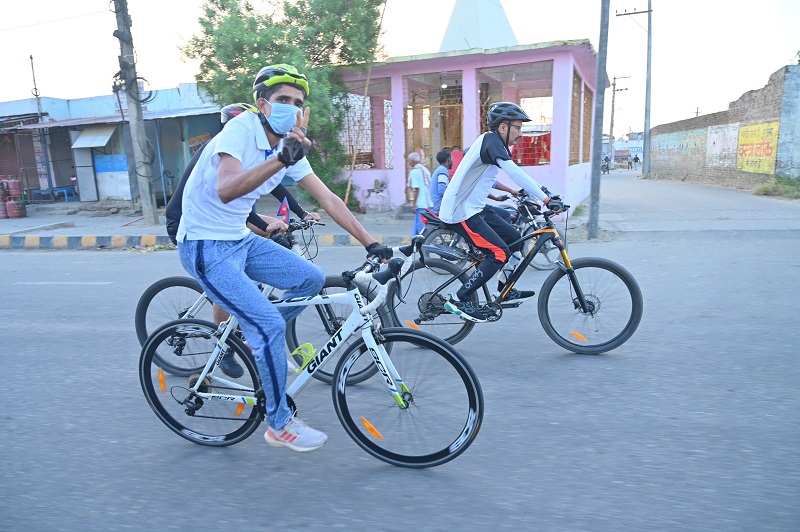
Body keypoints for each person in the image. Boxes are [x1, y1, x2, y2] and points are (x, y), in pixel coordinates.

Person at [176, 63, 393, 453]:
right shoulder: (239, 132)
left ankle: (255, 334)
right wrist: (281, 157)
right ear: (263, 104)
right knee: (269, 329)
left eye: (297, 102)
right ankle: (279, 423)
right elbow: (226, 189)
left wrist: (370, 242)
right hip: (205, 245)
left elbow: (326, 198)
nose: (291, 108)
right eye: (282, 100)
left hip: (239, 239)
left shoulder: (291, 144)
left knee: (309, 279)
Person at [166, 103, 321, 379]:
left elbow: (275, 184)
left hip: (226, 225)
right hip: (189, 225)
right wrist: (265, 225)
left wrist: (301, 212)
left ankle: (252, 336)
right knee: (235, 277)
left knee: (287, 267)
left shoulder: (256, 152)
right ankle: (226, 348)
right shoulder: (221, 151)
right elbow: (236, 202)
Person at [438, 101, 563, 323]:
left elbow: (493, 179)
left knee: (516, 240)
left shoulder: (494, 145)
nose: (521, 133)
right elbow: (513, 171)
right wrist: (546, 198)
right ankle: (460, 298)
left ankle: (504, 289)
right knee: (498, 254)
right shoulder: (490, 140)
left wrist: (539, 193)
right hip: (461, 211)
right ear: (503, 127)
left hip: (475, 208)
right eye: (517, 127)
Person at [407, 151, 433, 235]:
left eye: (409, 161)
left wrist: (413, 204)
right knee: (420, 226)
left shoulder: (414, 172)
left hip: (420, 204)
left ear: (413, 161)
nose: (409, 163)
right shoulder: (425, 170)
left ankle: (420, 245)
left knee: (420, 228)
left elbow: (416, 189)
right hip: (427, 203)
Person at [429, 149, 452, 214]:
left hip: (436, 203)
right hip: (440, 204)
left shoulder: (440, 169)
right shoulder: (443, 170)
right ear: (449, 159)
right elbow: (442, 190)